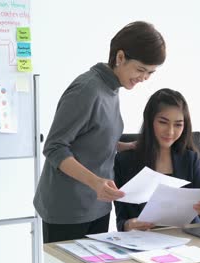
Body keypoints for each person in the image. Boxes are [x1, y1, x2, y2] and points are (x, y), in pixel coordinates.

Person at [33, 21, 166, 243]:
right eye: (141, 70)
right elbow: (55, 147)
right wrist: (95, 182)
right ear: (120, 57)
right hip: (68, 210)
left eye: (150, 73)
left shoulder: (112, 87)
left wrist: (124, 146)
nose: (144, 78)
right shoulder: (88, 90)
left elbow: (91, 135)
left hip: (97, 205)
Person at [113, 88, 200, 232]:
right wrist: (129, 225)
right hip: (146, 240)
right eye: (163, 122)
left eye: (178, 125)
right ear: (150, 121)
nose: (170, 132)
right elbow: (122, 220)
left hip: (187, 236)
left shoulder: (190, 158)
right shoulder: (125, 161)